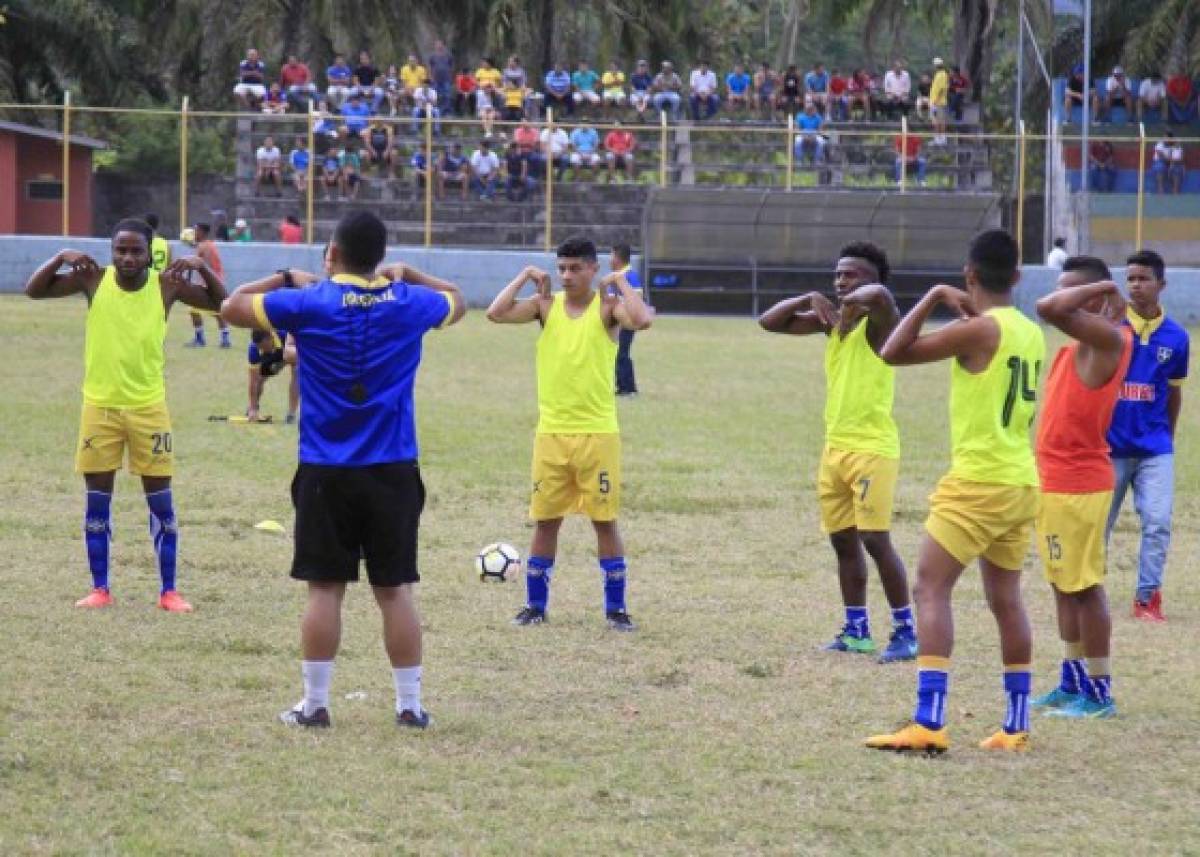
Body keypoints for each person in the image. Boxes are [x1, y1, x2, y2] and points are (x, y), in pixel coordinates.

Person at [219, 210, 466, 729]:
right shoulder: (408, 301)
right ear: (380, 258)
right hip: (393, 467)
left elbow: (231, 305)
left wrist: (286, 277)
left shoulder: (309, 301)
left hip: (326, 468)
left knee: (325, 587)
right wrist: (414, 275)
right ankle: (409, 706)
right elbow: (458, 302)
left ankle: (314, 704)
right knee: (394, 589)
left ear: (331, 253)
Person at [865, 229, 1045, 754]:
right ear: (1016, 277)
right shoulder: (1029, 331)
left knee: (930, 588)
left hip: (979, 481)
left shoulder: (977, 331)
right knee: (1006, 600)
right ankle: (1015, 727)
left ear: (970, 275)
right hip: (1020, 480)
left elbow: (893, 352)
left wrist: (933, 297)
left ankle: (930, 721)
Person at [25, 218, 228, 611]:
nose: (128, 257)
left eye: (136, 250)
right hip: (99, 408)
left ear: (149, 252)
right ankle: (100, 588)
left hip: (149, 409)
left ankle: (169, 591)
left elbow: (223, 302)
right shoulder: (93, 280)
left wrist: (203, 268)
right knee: (97, 502)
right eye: (121, 249)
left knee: (162, 505)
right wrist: (58, 259)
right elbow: (35, 291)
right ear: (111, 250)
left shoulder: (166, 284)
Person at [759, 242, 916, 663]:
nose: (841, 282)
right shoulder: (833, 324)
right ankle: (856, 629)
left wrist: (849, 301)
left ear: (871, 280)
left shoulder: (882, 322)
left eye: (851, 275)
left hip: (872, 450)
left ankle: (906, 630)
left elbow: (880, 297)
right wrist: (807, 299)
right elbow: (769, 322)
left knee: (875, 541)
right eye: (838, 275)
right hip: (835, 449)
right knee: (844, 543)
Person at [485, 236, 653, 631]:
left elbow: (642, 319)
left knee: (604, 522)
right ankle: (535, 606)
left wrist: (621, 282)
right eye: (561, 268)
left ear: (593, 269)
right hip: (551, 435)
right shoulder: (546, 306)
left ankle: (616, 609)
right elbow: (495, 313)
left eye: (576, 268)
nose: (566, 275)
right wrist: (526, 275)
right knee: (546, 522)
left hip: (597, 435)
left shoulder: (609, 308)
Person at [1030, 256, 1132, 721]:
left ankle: (1099, 691)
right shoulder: (1073, 348)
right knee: (1061, 584)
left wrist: (1106, 287)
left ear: (1094, 298)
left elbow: (1047, 307)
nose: (1060, 295)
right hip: (1053, 481)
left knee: (1085, 586)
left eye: (1073, 290)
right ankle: (1071, 681)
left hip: (1079, 485)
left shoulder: (1110, 338)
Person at [1105, 250, 1188, 622]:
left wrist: (1165, 439)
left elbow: (1173, 392)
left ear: (1162, 284)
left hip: (1155, 449)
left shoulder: (1177, 338)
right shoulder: (1109, 328)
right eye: (1131, 278)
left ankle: (1147, 598)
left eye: (1144, 278)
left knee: (1157, 522)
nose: (1135, 285)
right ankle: (1085, 591)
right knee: (1097, 525)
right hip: (1110, 447)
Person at [185, 223, 232, 348]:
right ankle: (225, 339)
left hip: (206, 284)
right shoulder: (210, 244)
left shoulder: (202, 246)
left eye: (196, 231)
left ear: (202, 232)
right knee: (217, 311)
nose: (194, 233)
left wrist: (188, 282)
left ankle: (200, 339)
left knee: (194, 310)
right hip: (216, 282)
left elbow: (193, 263)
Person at [609, 244, 643, 397]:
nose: (610, 259)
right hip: (617, 322)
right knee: (617, 353)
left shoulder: (629, 276)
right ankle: (622, 386)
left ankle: (629, 388)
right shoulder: (616, 275)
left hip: (626, 321)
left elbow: (637, 297)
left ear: (617, 257)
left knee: (622, 353)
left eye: (611, 255)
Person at [246, 327, 299, 424]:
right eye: (260, 348)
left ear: (270, 338)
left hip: (289, 351)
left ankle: (291, 414)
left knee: (296, 374)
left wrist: (285, 361)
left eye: (264, 347)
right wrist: (252, 408)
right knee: (259, 379)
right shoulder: (253, 349)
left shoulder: (284, 335)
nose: (262, 350)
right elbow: (253, 381)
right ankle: (254, 408)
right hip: (272, 358)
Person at [427, 40, 456, 110]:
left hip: (446, 79)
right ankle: (435, 109)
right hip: (435, 79)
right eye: (437, 44)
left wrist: (451, 76)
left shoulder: (448, 55)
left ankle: (446, 111)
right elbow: (430, 67)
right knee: (434, 95)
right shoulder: (432, 56)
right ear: (435, 46)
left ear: (443, 45)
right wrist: (430, 77)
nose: (439, 46)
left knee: (447, 95)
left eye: (440, 44)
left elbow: (452, 66)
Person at [930, 58, 950, 145]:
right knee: (935, 121)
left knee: (940, 121)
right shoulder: (938, 74)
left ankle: (942, 139)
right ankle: (937, 139)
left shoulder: (942, 74)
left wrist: (935, 101)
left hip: (939, 102)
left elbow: (942, 89)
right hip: (935, 102)